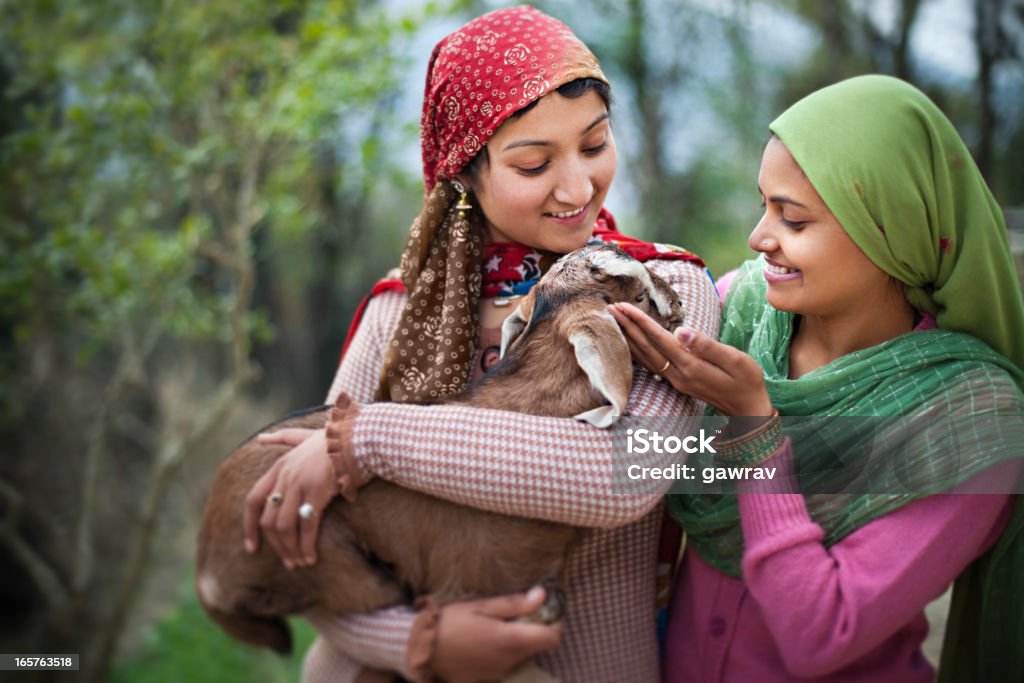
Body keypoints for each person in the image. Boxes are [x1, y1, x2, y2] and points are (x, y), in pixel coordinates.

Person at [241, 6, 720, 682]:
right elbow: (319, 535)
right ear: (465, 173)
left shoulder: (653, 287)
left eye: (594, 144)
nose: (578, 187)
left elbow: (625, 475)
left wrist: (370, 439)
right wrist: (417, 641)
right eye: (533, 163)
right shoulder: (400, 312)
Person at [609, 74, 1024, 681]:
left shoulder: (972, 424)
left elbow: (820, 634)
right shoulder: (740, 313)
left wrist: (755, 432)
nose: (758, 239)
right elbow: (642, 471)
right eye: (762, 205)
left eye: (794, 221)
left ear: (890, 230)